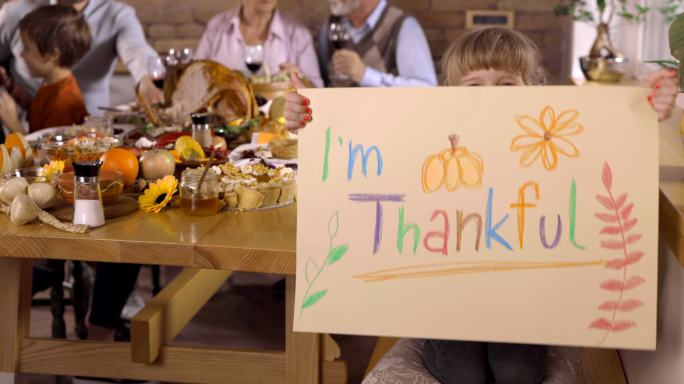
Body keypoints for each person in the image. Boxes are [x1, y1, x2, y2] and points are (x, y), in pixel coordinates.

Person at [284, 27, 678, 383]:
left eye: (507, 84)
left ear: (537, 90)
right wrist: (309, 119)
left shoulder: (548, 141)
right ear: (451, 96)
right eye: (474, 86)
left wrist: (648, 111)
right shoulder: (430, 137)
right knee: (461, 373)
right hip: (448, 295)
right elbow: (365, 145)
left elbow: (604, 146)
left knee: (518, 373)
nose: (491, 95)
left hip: (522, 297)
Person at [0, 0, 163, 118]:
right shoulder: (15, 12)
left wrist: (146, 81)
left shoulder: (117, 15)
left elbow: (136, 49)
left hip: (91, 130)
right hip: (19, 125)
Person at [0, 4, 90, 134]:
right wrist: (11, 86)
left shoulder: (63, 103)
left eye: (27, 48)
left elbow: (46, 153)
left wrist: (13, 123)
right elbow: (42, 117)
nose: (21, 54)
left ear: (53, 54)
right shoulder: (51, 85)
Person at [195, 0, 323, 88]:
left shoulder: (298, 34)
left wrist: (301, 80)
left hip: (280, 123)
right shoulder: (217, 27)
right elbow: (195, 78)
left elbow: (318, 93)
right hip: (224, 122)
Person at [319, 0, 437, 87]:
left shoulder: (403, 26)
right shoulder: (330, 26)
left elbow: (426, 88)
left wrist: (365, 75)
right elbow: (326, 82)